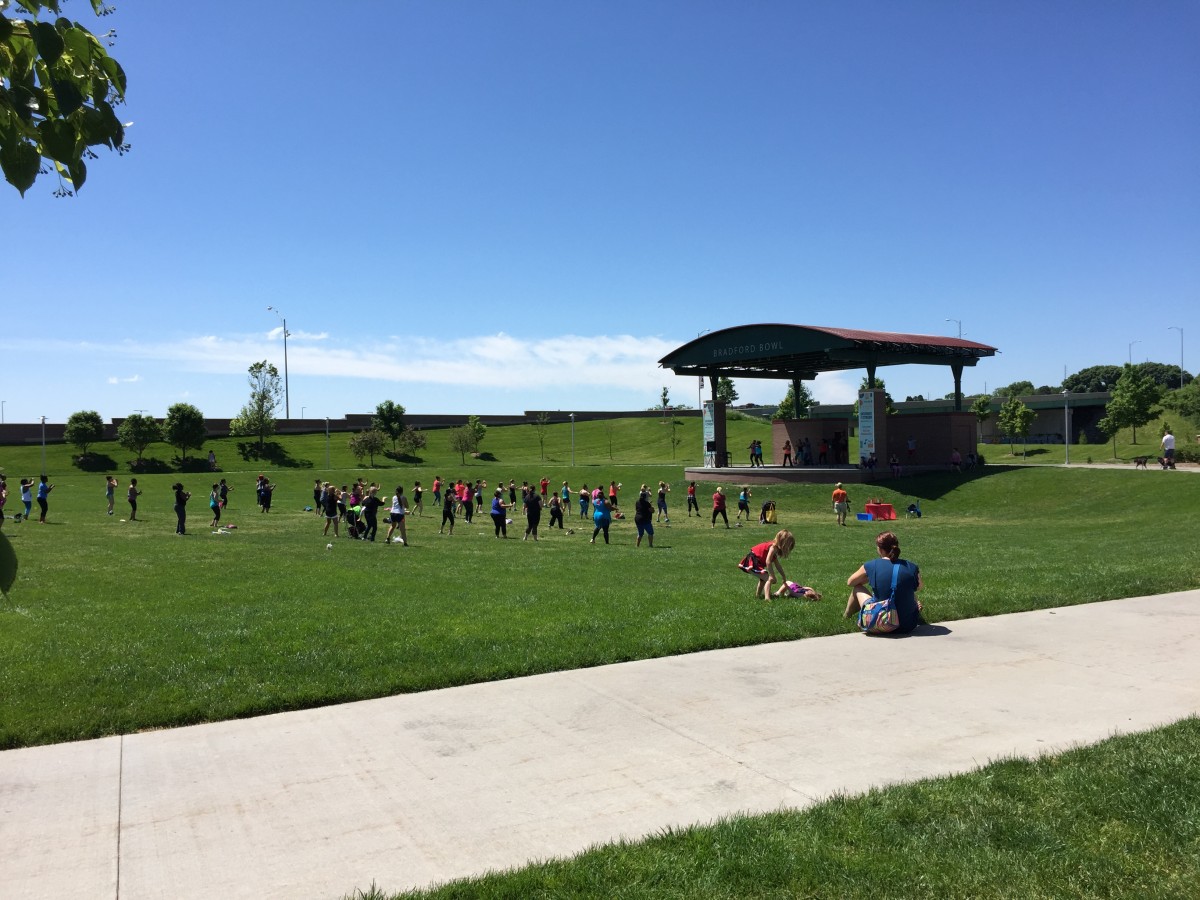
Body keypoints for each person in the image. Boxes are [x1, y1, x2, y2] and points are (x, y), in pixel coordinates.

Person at [844, 530, 923, 634]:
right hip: (907, 625)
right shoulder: (911, 567)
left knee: (857, 588)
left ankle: (846, 616)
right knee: (910, 591)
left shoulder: (871, 565)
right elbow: (919, 587)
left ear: (880, 549)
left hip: (878, 621)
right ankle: (911, 609)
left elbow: (850, 582)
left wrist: (869, 578)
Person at [737, 529, 797, 600]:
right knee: (770, 579)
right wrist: (772, 575)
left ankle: (757, 596)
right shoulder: (773, 547)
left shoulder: (775, 550)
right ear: (782, 542)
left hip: (755, 562)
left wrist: (783, 576)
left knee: (763, 579)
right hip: (753, 561)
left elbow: (778, 565)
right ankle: (767, 598)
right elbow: (768, 561)